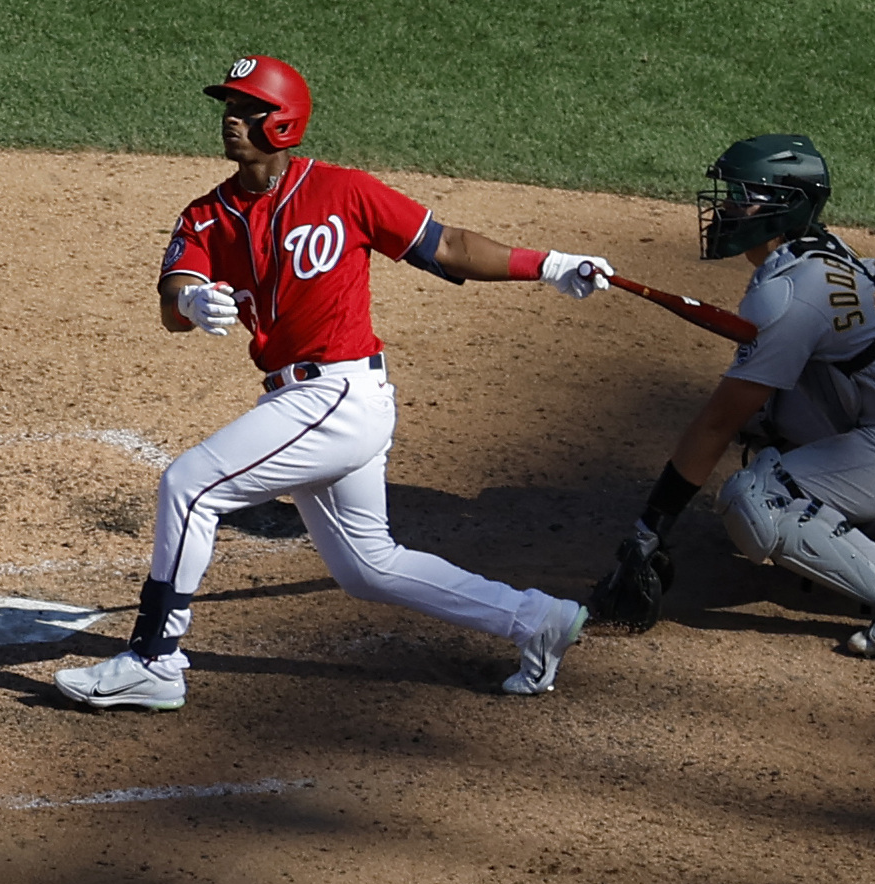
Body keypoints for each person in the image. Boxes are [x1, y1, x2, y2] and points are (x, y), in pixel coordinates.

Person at [55, 55, 612, 710]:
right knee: (369, 567)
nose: (231, 120)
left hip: (339, 396)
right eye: (229, 108)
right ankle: (536, 619)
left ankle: (154, 658)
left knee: (188, 485)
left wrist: (548, 265)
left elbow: (448, 245)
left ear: (283, 121)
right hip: (300, 399)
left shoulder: (342, 192)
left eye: (247, 109)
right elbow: (173, 294)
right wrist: (192, 304)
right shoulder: (205, 214)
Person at [590, 134, 875, 658]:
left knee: (754, 500)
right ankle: (838, 498)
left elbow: (715, 424)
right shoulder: (820, 249)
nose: (726, 207)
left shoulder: (789, 293)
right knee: (765, 413)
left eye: (742, 195)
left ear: (784, 205)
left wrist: (648, 530)